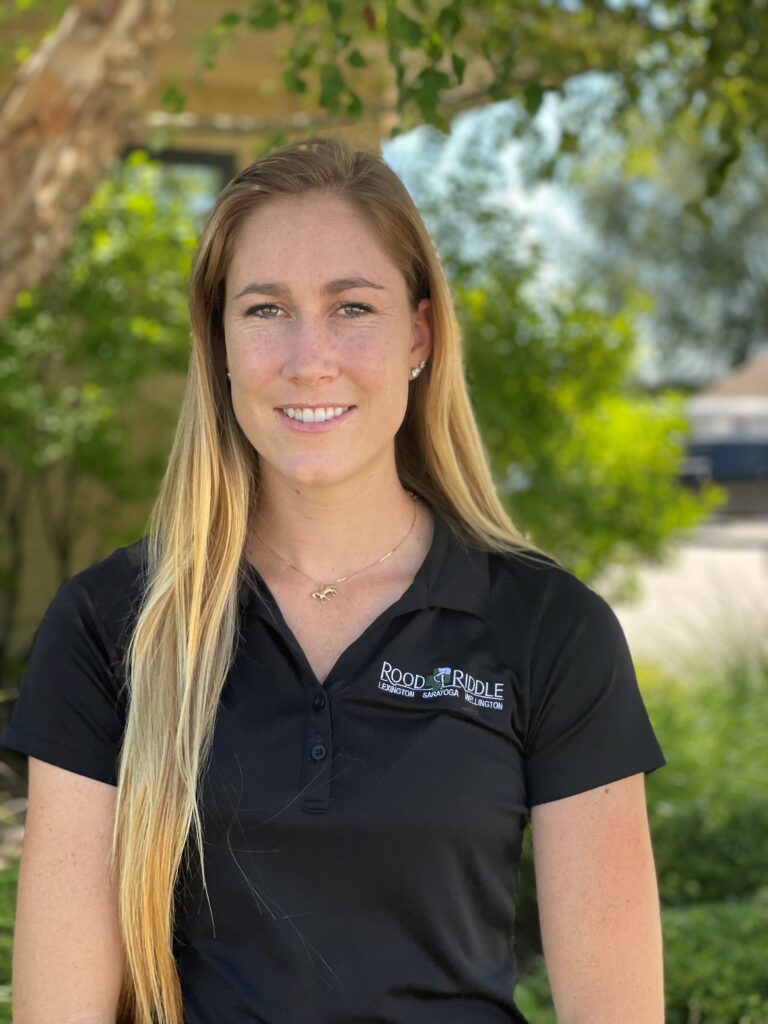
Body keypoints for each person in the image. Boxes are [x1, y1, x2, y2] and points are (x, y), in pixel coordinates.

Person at [1, 136, 666, 1024]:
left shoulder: (548, 628)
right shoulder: (109, 626)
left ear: (419, 334)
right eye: (266, 310)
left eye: (352, 306)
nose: (309, 358)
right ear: (221, 343)